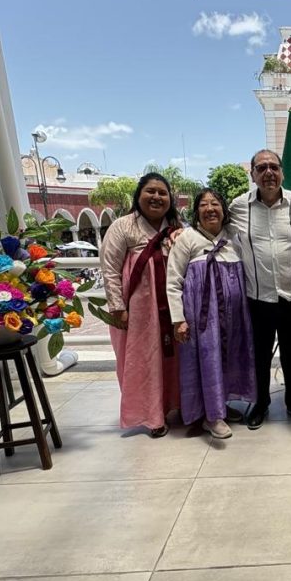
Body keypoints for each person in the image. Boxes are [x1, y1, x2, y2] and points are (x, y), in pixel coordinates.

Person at [229, 150, 291, 429]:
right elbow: (214, 230)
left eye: (274, 167)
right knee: (260, 355)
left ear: (282, 173)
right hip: (257, 298)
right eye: (262, 167)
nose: (269, 173)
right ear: (252, 174)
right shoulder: (238, 207)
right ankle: (261, 402)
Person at [166, 189, 256, 439]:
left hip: (234, 317)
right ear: (196, 212)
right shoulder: (187, 238)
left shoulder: (233, 237)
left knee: (228, 359)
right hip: (202, 319)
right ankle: (211, 416)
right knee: (207, 362)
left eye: (215, 203)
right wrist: (179, 319)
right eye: (203, 205)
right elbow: (173, 280)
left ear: (224, 210)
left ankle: (222, 406)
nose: (210, 208)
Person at [100, 172, 183, 438]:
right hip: (138, 311)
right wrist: (118, 308)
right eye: (151, 191)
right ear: (139, 195)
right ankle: (151, 416)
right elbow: (109, 268)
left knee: (175, 359)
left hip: (172, 307)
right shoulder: (123, 227)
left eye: (163, 192)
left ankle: (175, 405)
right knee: (142, 360)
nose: (157, 197)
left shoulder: (178, 229)